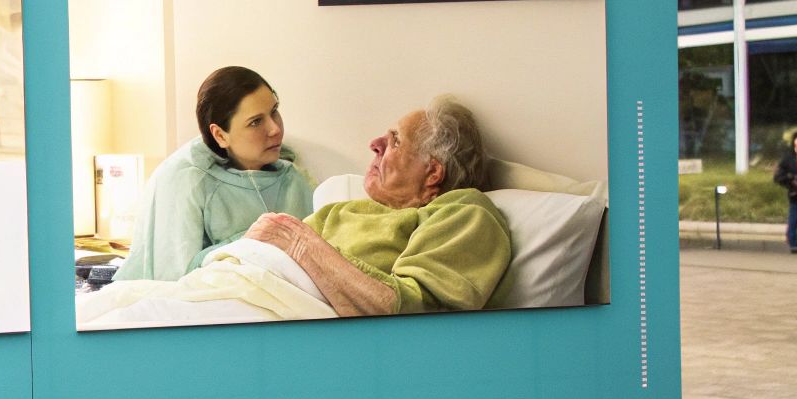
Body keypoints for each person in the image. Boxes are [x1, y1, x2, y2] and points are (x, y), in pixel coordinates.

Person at [245, 96, 511, 316]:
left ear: (432, 172)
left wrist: (301, 244)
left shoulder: (466, 212)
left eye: (395, 140)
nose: (374, 145)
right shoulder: (337, 211)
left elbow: (418, 315)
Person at [116, 66, 313, 282]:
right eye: (255, 122)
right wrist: (247, 242)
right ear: (220, 135)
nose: (275, 129)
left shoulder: (294, 178)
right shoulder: (186, 180)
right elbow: (174, 279)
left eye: (274, 111)